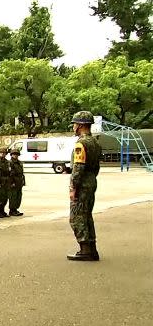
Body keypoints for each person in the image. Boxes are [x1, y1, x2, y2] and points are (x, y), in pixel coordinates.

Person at [68, 111, 102, 261]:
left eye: (75, 124)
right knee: (87, 215)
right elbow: (96, 167)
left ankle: (85, 250)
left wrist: (73, 187)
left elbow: (78, 167)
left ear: (80, 125)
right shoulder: (95, 142)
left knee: (77, 216)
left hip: (82, 183)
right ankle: (92, 248)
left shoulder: (81, 143)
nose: (73, 126)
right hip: (91, 180)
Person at [8, 148, 25, 216]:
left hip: (19, 181)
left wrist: (23, 181)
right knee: (13, 196)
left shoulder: (20, 162)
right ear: (11, 155)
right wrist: (11, 182)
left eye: (17, 154)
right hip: (14, 182)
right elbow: (10, 174)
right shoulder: (10, 163)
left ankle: (15, 209)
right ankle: (12, 210)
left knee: (18, 196)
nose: (15, 155)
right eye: (14, 154)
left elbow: (21, 173)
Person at [0, 146, 11, 218]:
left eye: (4, 153)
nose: (3, 154)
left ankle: (2, 211)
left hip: (6, 181)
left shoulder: (7, 162)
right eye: (1, 153)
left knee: (5, 197)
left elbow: (9, 171)